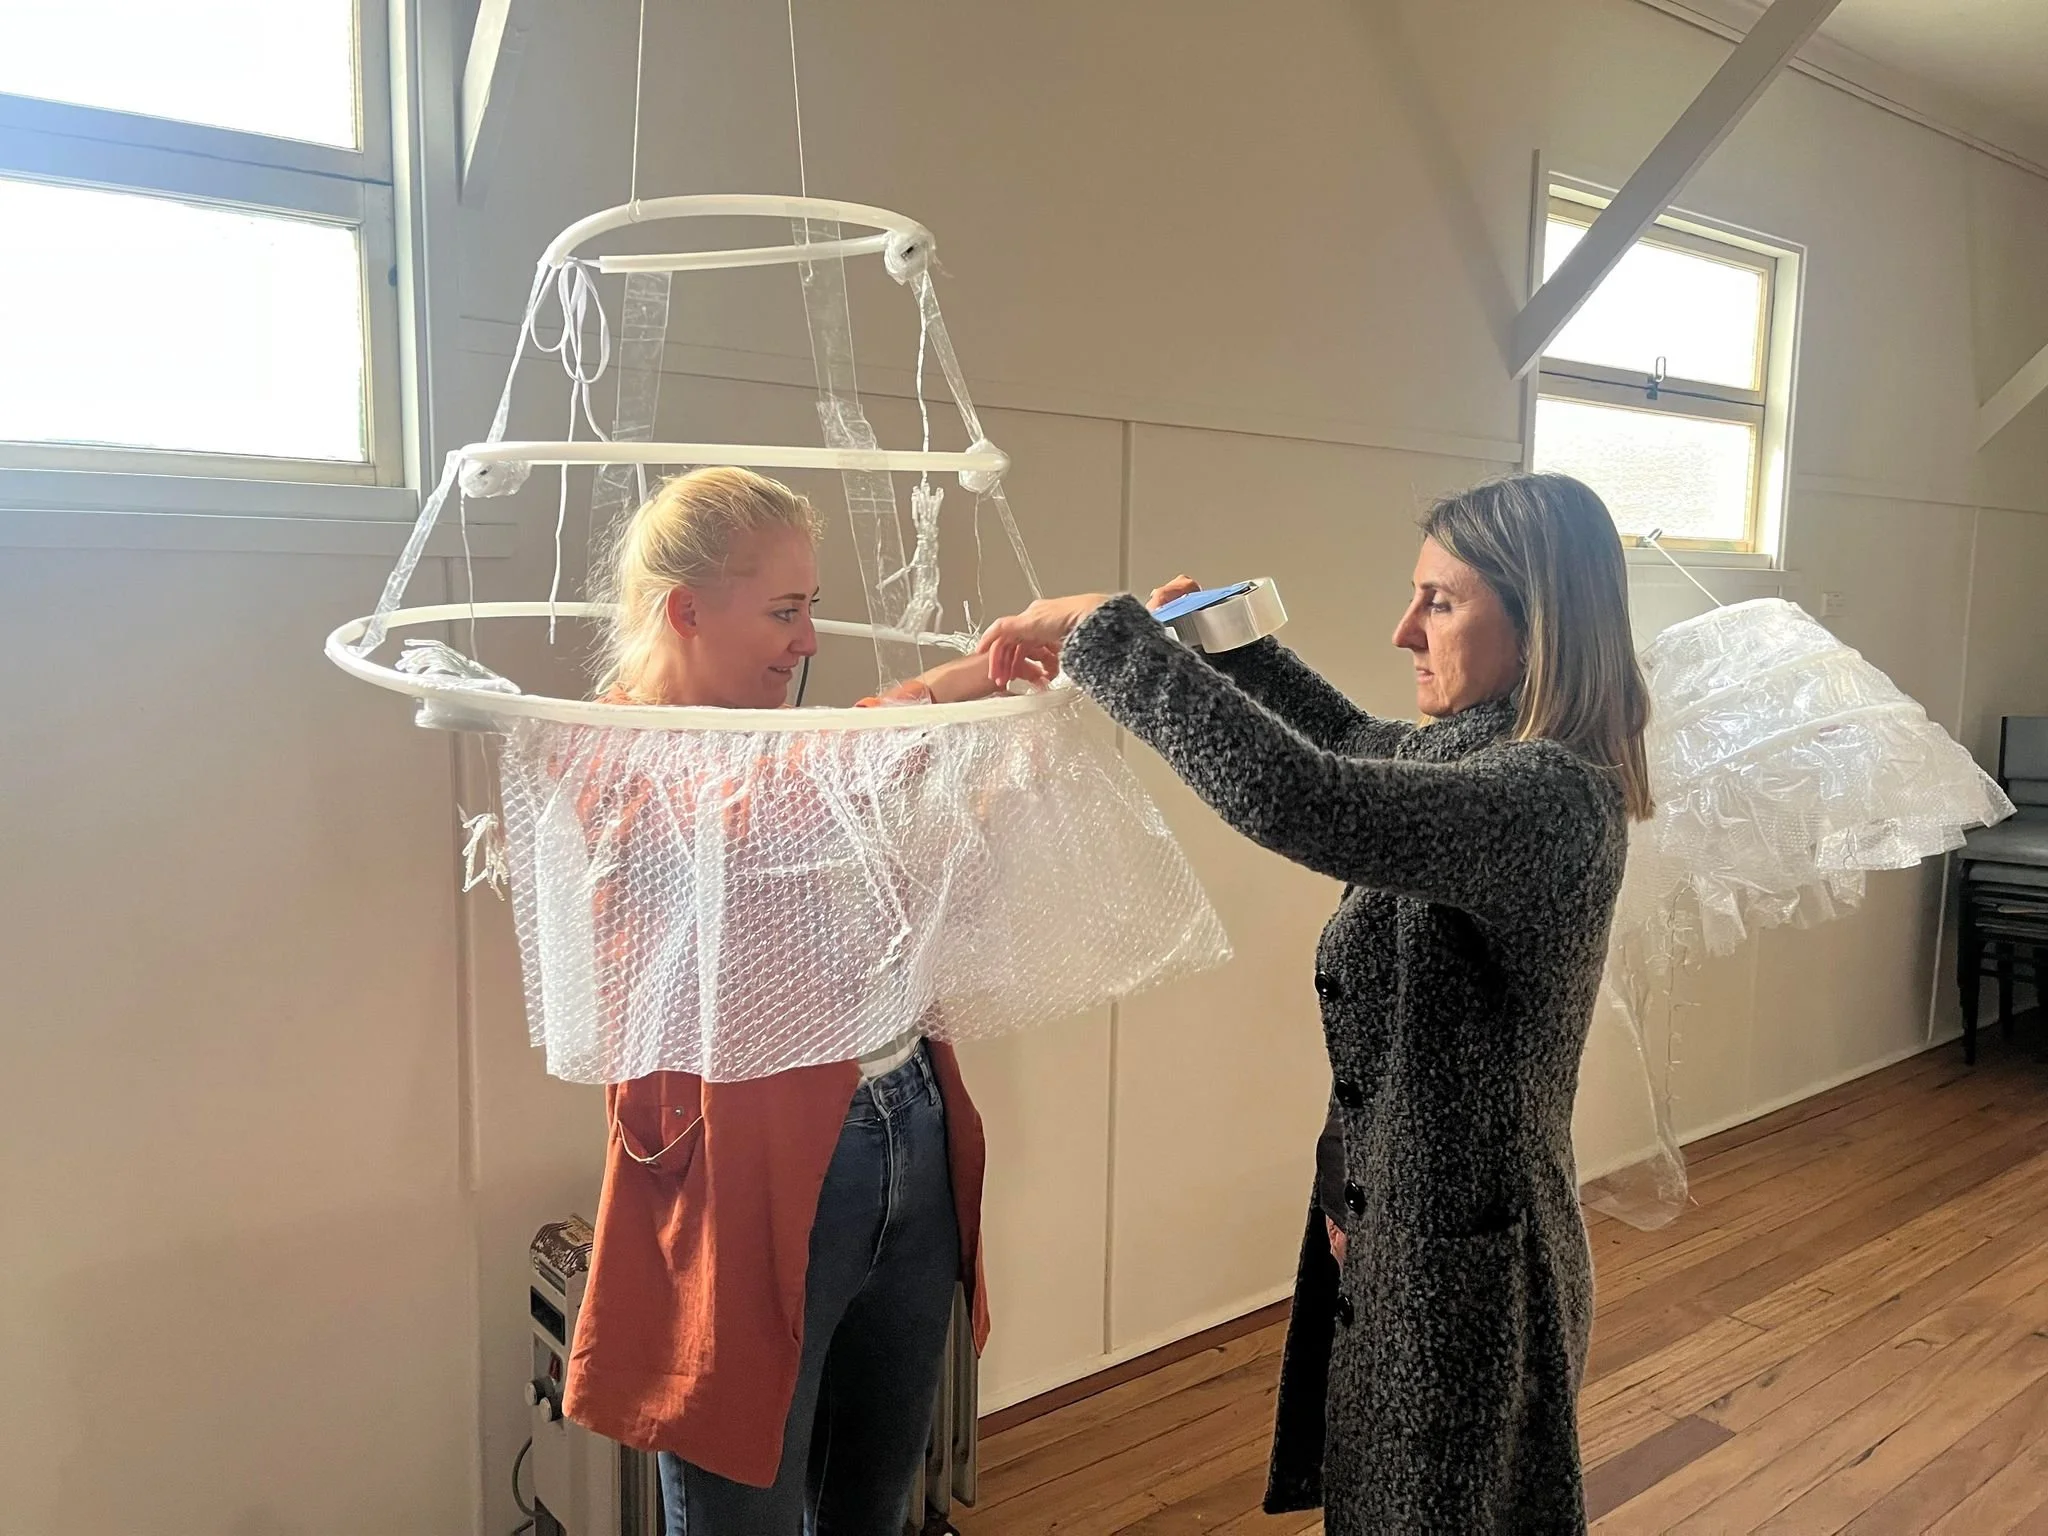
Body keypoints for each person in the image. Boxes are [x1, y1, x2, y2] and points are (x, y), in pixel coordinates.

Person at [977, 472, 1651, 1534]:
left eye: (1439, 600)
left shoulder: (1547, 800)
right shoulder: (1469, 753)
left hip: (1470, 1283)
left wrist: (1110, 643)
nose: (1401, 630)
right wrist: (1224, 640)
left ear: (1540, 617)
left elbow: (1305, 797)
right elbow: (1345, 742)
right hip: (1405, 1236)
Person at [559, 466, 1051, 1534]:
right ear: (687, 611)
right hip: (746, 1166)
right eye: (785, 610)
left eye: (810, 607)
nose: (807, 638)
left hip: (904, 1124)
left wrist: (997, 771)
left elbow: (893, 906)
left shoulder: (786, 746)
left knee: (873, 1494)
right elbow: (754, 807)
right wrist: (950, 687)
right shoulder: (608, 748)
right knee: (743, 1496)